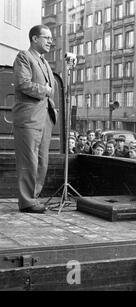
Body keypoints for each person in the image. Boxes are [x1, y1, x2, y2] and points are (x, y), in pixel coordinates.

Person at [12, 25, 57, 213]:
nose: (50, 42)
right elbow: (23, 84)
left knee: (42, 160)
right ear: (34, 39)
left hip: (44, 116)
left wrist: (49, 93)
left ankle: (34, 198)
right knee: (28, 161)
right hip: (29, 117)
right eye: (46, 38)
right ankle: (27, 201)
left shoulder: (45, 62)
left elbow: (52, 89)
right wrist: (44, 90)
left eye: (51, 38)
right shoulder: (24, 57)